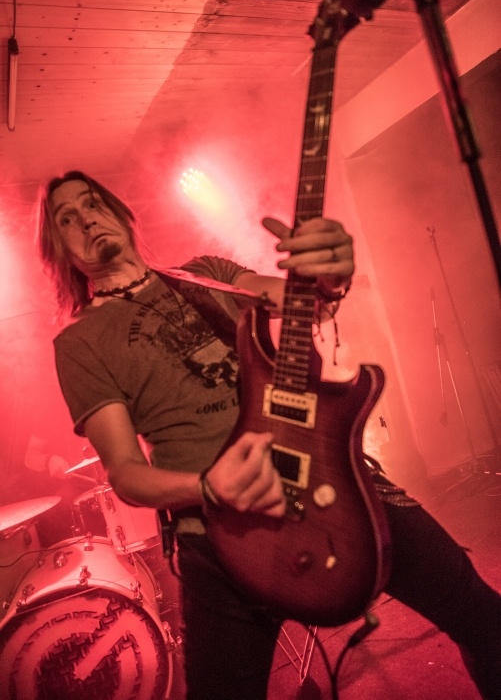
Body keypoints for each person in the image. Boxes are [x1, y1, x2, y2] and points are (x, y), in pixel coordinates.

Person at [37, 170, 501, 700]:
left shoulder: (206, 274)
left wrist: (329, 277)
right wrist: (207, 487)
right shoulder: (80, 343)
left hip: (333, 482)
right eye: (66, 218)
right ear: (60, 250)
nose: (86, 219)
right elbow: (125, 473)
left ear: (121, 213)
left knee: (483, 616)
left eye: (92, 203)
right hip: (219, 533)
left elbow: (304, 299)